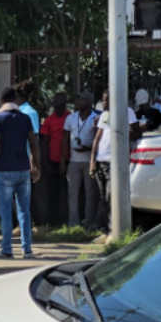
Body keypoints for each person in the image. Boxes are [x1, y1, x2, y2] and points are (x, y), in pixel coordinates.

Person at [0, 87, 41, 259]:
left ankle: (6, 250)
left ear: (1, 101)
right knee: (24, 211)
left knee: (5, 211)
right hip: (23, 170)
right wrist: (35, 166)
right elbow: (34, 144)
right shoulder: (25, 118)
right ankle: (27, 250)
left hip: (5, 170)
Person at [90, 90, 139, 243]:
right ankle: (105, 232)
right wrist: (92, 160)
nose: (103, 103)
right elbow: (97, 138)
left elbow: (136, 130)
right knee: (103, 198)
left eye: (106, 100)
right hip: (101, 161)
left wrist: (125, 135)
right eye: (103, 100)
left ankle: (115, 232)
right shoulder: (104, 116)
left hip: (115, 162)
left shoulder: (127, 111)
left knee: (113, 196)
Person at [63, 92, 100, 229]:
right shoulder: (70, 118)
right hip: (73, 161)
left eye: (83, 99)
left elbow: (98, 140)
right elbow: (65, 139)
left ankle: (89, 222)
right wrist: (63, 160)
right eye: (78, 99)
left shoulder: (96, 118)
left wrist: (87, 148)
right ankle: (73, 223)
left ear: (90, 102)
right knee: (72, 193)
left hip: (88, 161)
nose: (79, 101)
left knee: (90, 193)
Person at [39, 92, 70, 226]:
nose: (57, 106)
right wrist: (45, 163)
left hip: (70, 159)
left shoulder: (70, 117)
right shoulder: (49, 120)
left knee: (70, 192)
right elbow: (44, 142)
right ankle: (53, 220)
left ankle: (68, 219)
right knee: (53, 192)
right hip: (53, 160)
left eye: (59, 104)